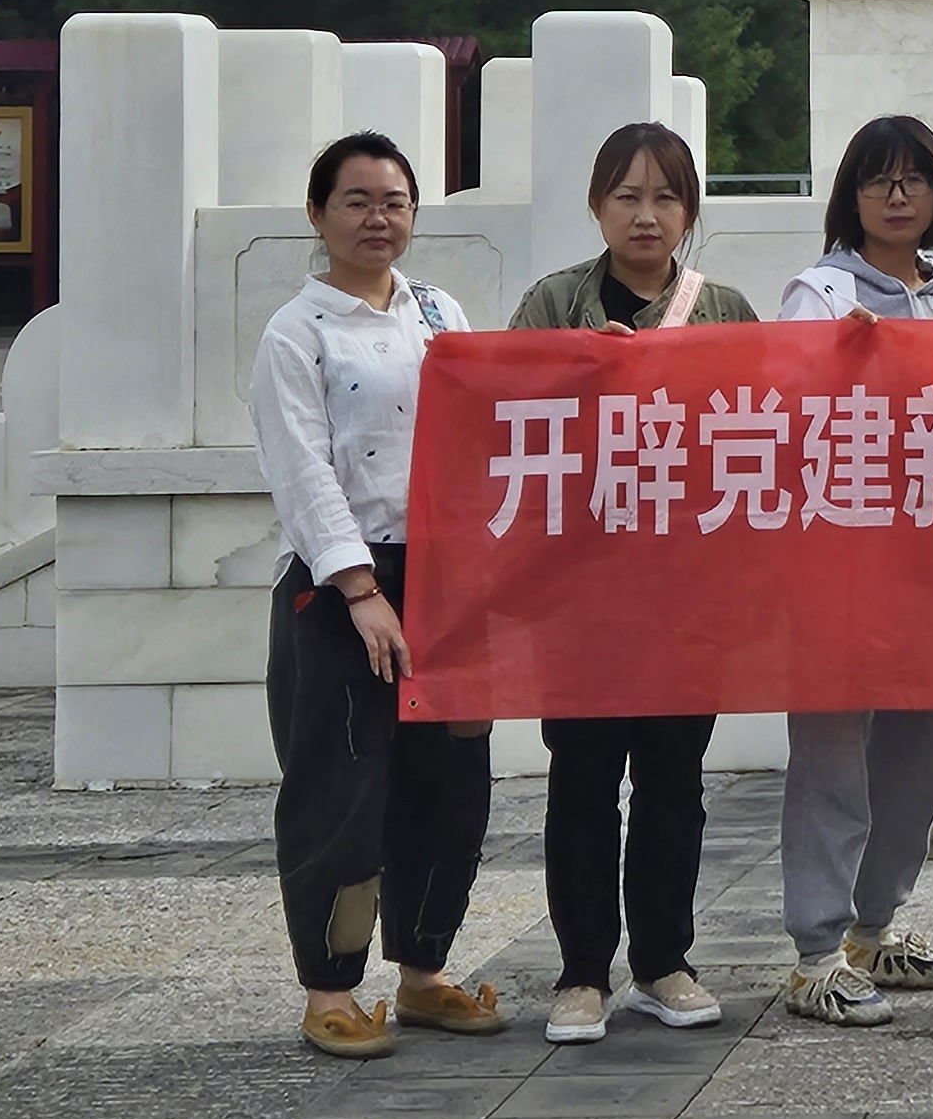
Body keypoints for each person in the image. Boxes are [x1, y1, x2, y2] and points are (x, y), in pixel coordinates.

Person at [249, 131, 499, 1057]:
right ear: (318, 215)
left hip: (446, 579)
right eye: (356, 201)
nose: (377, 218)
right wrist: (361, 591)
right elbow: (302, 470)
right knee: (342, 788)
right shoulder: (296, 332)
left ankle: (425, 973)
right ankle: (330, 988)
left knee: (450, 783)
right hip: (341, 589)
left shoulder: (438, 310)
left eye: (394, 201)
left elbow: (484, 424)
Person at [508, 122, 757, 1048]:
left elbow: (764, 423)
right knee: (581, 777)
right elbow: (502, 420)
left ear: (689, 211)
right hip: (580, 593)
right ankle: (581, 972)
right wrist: (582, 373)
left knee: (672, 780)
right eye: (627, 196)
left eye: (665, 197)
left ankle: (662, 962)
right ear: (597, 206)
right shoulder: (553, 303)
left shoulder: (723, 309)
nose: (646, 215)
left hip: (686, 591)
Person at [770, 115, 933, 1026]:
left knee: (918, 750)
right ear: (851, 195)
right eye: (878, 181)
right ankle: (816, 950)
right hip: (839, 559)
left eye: (914, 180)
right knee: (831, 754)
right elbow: (783, 415)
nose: (897, 196)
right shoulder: (817, 295)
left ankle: (873, 928)